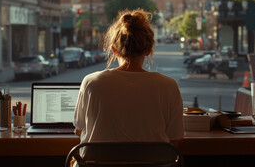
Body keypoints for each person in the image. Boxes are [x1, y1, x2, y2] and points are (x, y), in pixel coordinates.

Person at [74, 9, 184, 146]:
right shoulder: (169, 86)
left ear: (114, 49)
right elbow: (175, 139)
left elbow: (80, 130)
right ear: (149, 49)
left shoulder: (91, 82)